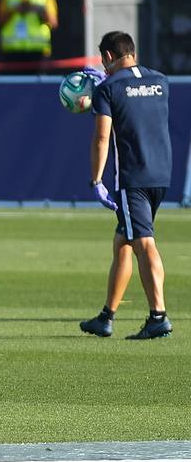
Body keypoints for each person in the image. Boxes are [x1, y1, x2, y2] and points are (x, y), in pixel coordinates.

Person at [80, 31, 173, 341]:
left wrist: (96, 180)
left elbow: (102, 137)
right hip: (161, 173)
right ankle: (106, 317)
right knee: (124, 241)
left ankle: (158, 316)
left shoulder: (109, 88)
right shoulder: (160, 80)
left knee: (144, 243)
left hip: (132, 178)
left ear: (107, 57)